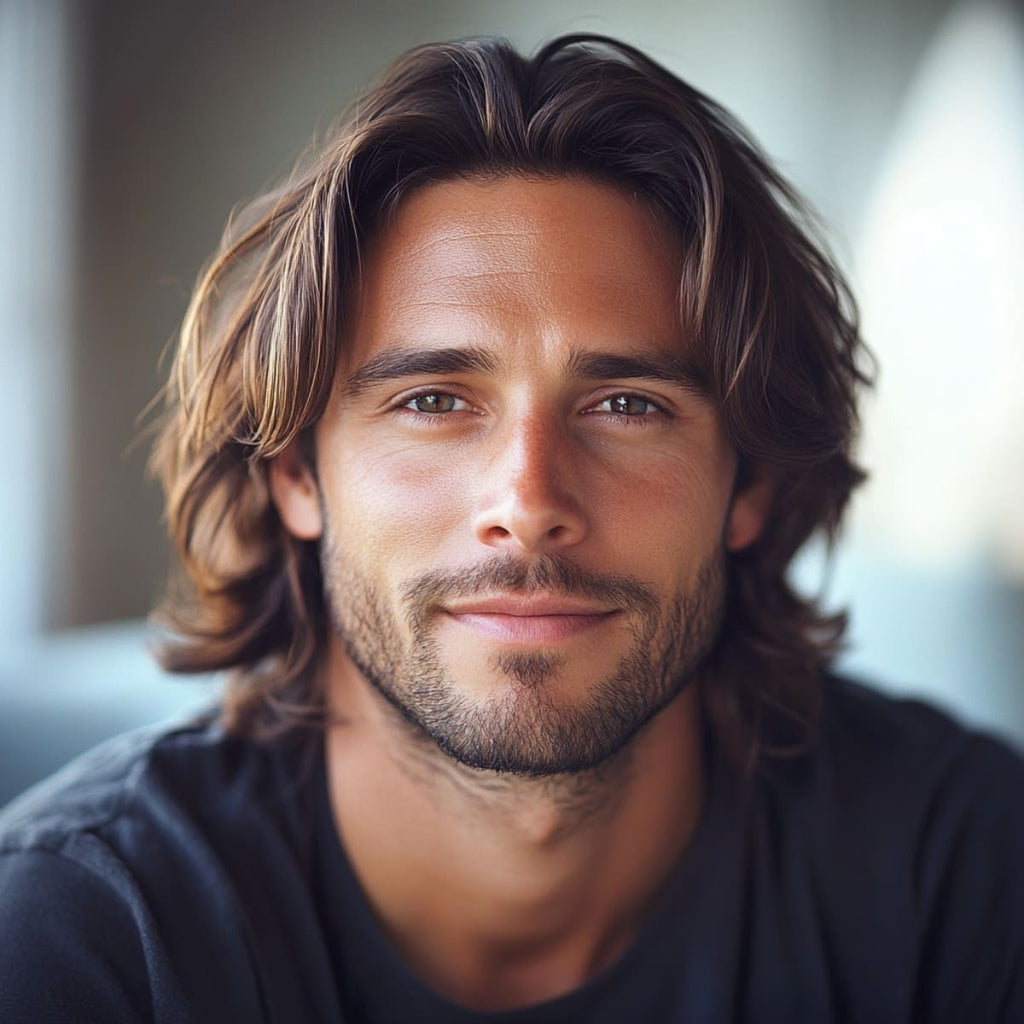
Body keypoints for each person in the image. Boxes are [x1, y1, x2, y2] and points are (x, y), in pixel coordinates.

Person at [1, 33, 1021, 1023]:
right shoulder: (85, 937)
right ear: (296, 476)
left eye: (627, 404)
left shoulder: (964, 868)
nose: (528, 499)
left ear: (748, 482)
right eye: (434, 401)